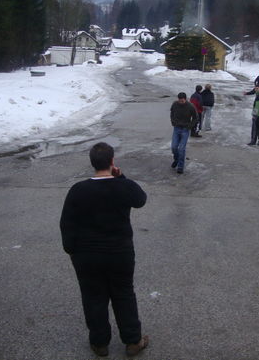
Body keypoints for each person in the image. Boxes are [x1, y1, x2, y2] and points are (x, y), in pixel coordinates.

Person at [60, 142, 149, 358]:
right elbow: (140, 199)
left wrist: (71, 250)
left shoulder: (78, 190)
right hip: (119, 253)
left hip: (86, 255)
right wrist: (121, 177)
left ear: (92, 163)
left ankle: (100, 343)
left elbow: (66, 223)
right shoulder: (122, 186)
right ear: (112, 162)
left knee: (93, 297)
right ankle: (132, 341)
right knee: (124, 295)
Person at [170, 92, 198, 174]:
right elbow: (171, 113)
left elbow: (196, 118)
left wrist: (190, 126)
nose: (181, 102)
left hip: (185, 129)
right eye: (179, 101)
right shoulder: (175, 104)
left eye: (182, 101)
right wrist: (173, 122)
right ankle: (176, 159)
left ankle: (180, 166)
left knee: (181, 149)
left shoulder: (190, 106)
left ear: (185, 99)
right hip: (176, 128)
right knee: (174, 147)